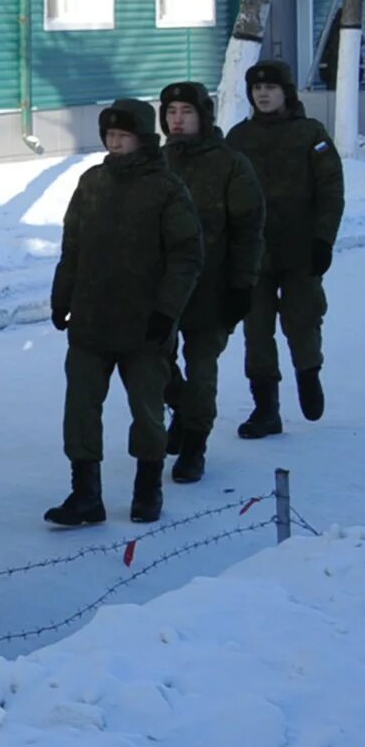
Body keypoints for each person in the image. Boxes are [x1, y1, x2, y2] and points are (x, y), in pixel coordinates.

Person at [45, 99, 204, 527]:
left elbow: (187, 256)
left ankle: (147, 488)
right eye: (110, 136)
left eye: (124, 136)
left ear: (143, 139)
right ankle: (85, 494)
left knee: (148, 411)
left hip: (144, 324)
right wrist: (63, 297)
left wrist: (166, 312)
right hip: (92, 320)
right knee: (80, 409)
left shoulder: (166, 189)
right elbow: (72, 247)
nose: (115, 143)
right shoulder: (92, 182)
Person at [226, 59, 344, 433]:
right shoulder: (238, 138)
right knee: (256, 331)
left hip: (300, 250)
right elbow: (224, 196)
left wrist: (323, 240)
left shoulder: (311, 133)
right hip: (253, 255)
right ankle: (266, 408)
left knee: (302, 320)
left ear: (287, 92)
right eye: (257, 89)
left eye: (270, 88)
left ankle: (308, 375)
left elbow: (331, 192)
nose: (262, 94)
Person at [158, 82, 265, 484]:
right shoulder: (155, 161)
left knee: (201, 366)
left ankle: (194, 445)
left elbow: (249, 229)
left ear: (204, 115)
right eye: (171, 112)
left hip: (212, 285)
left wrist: (243, 284)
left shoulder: (230, 164)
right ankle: (182, 410)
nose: (178, 119)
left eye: (186, 111)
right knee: (156, 362)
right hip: (162, 288)